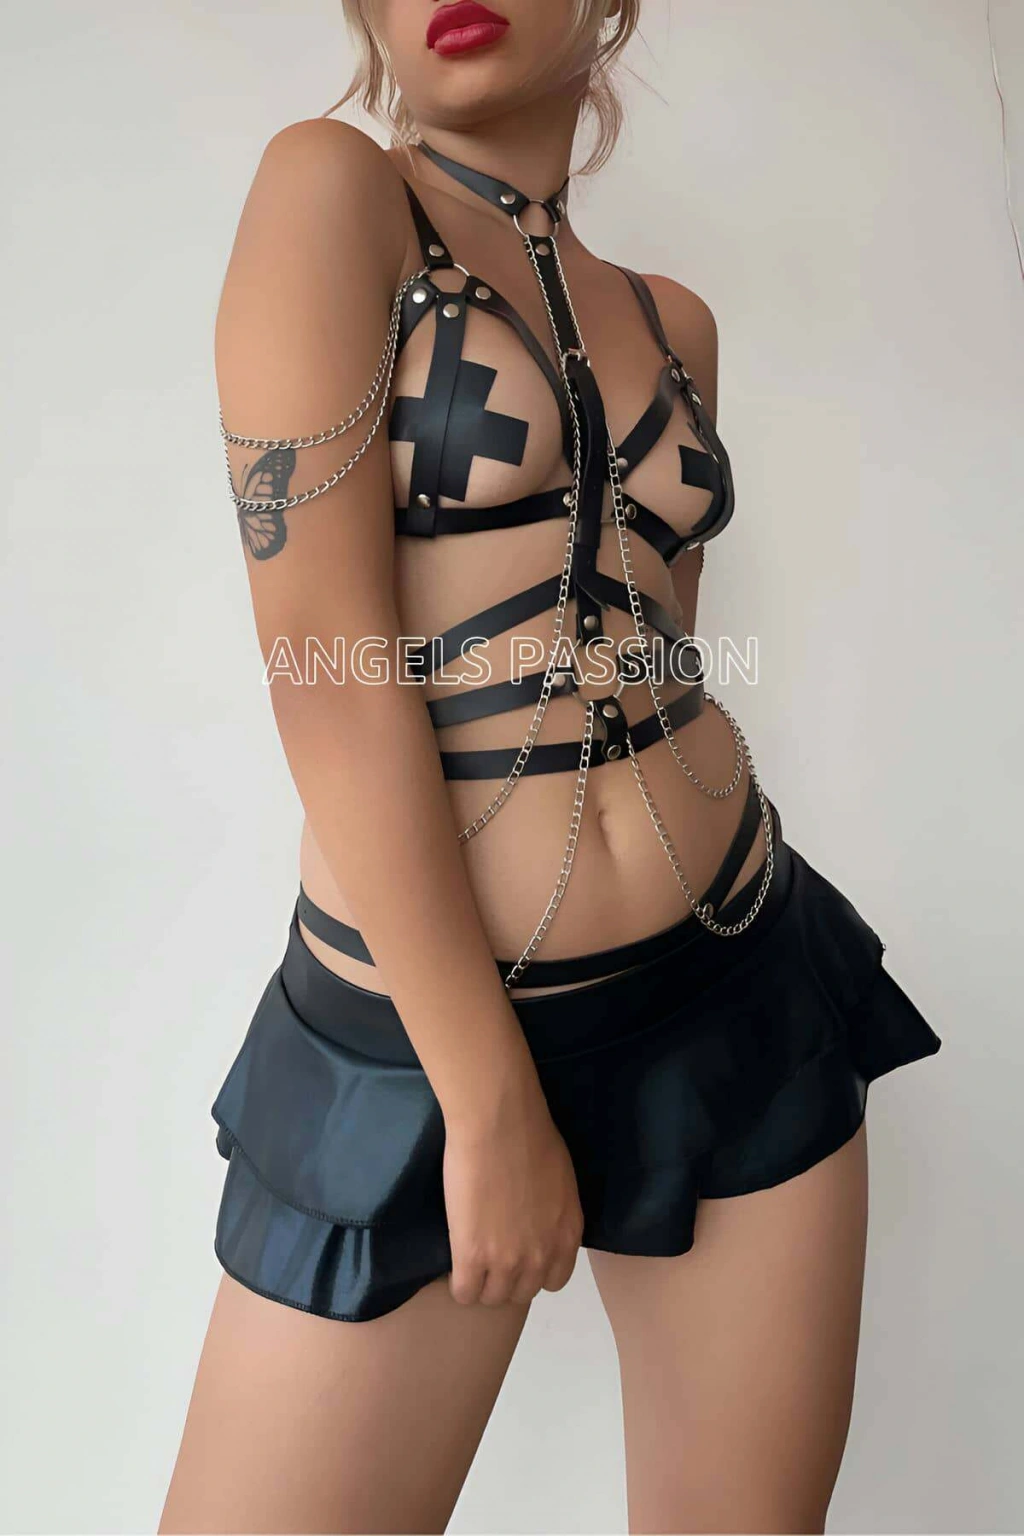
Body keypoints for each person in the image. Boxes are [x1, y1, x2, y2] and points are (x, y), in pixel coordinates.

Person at [160, 3, 941, 1531]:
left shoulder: (675, 322)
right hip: (420, 1053)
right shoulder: (333, 190)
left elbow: (653, 661)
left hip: (739, 987)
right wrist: (489, 1100)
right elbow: (324, 667)